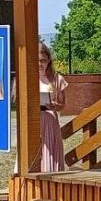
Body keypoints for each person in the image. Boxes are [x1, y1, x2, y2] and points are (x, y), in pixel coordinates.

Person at [39, 42, 69, 172]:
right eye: (37, 60)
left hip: (50, 121)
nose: (40, 64)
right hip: (32, 121)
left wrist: (55, 105)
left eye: (43, 60)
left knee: (51, 154)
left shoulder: (57, 79)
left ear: (49, 60)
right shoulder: (27, 77)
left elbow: (62, 105)